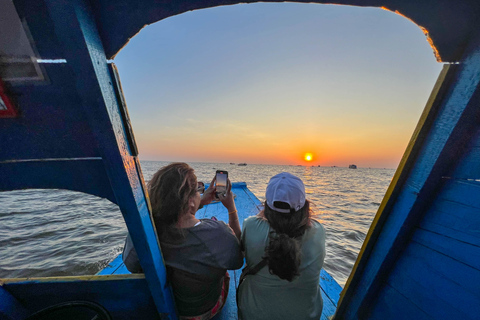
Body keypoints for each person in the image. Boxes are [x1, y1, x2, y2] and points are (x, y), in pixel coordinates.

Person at [122, 162, 243, 320]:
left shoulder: (144, 233)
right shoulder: (218, 233)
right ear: (189, 200)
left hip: (165, 307)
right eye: (198, 189)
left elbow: (131, 265)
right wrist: (231, 208)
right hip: (201, 311)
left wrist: (199, 203)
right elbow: (237, 260)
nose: (201, 192)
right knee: (223, 268)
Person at [237, 172, 326, 320]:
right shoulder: (318, 231)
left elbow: (238, 255)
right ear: (305, 205)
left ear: (267, 206)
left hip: (254, 315)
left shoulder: (252, 226)